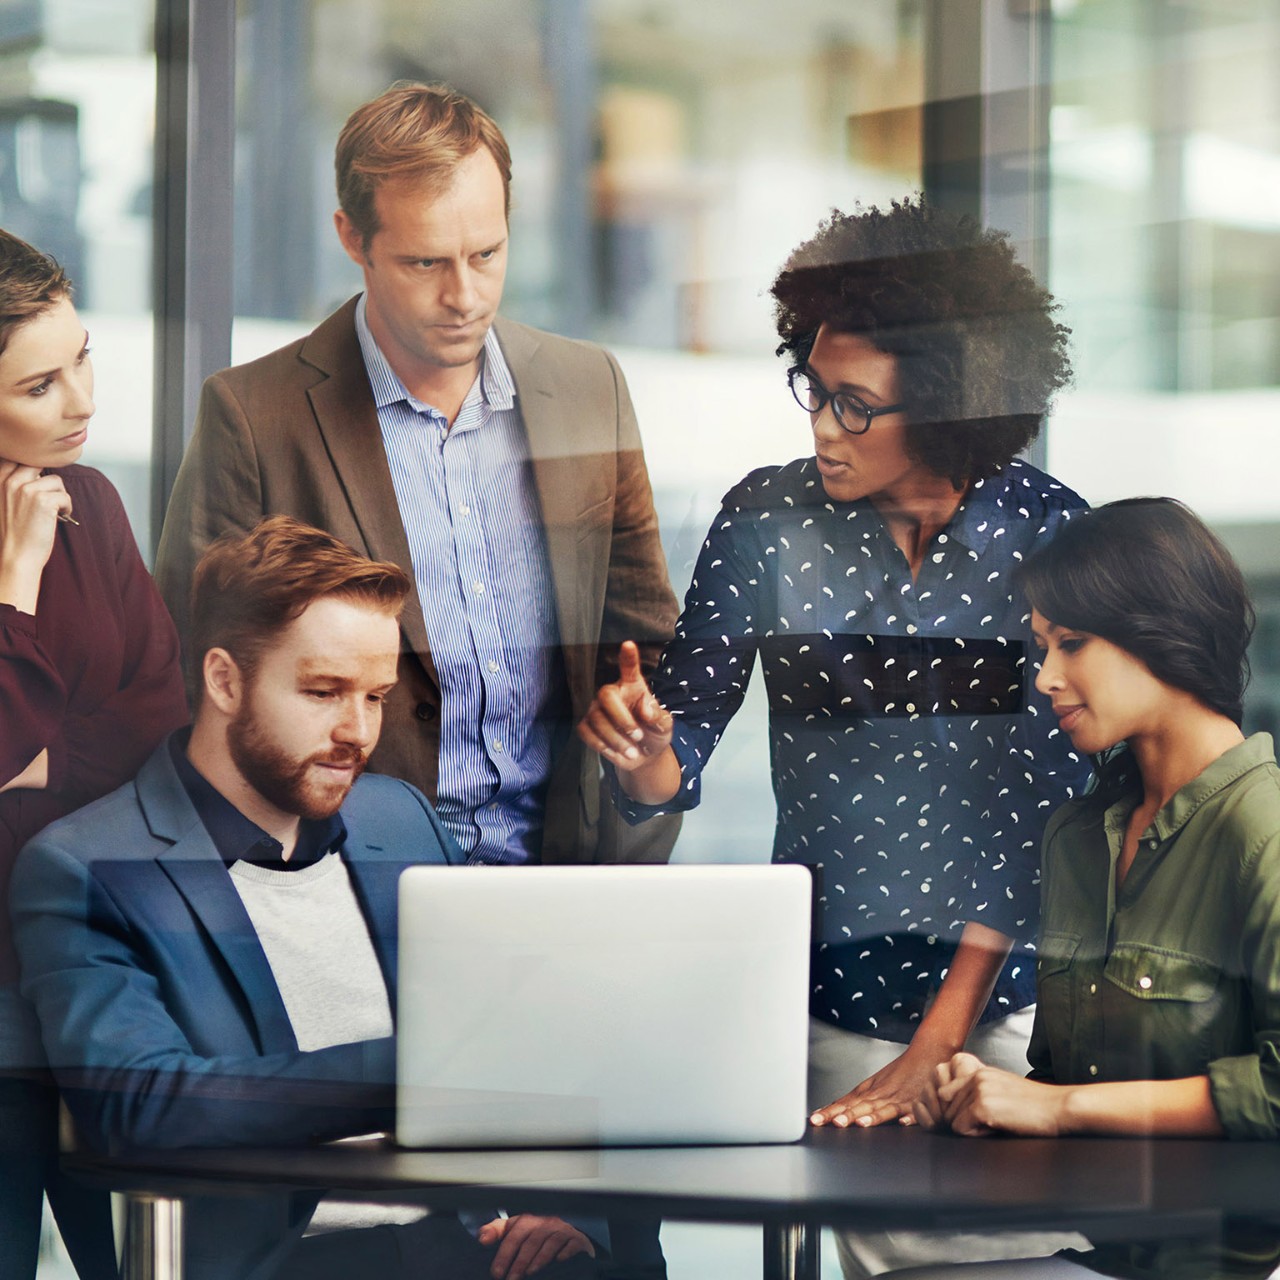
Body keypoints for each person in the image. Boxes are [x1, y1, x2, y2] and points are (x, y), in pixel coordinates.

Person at [578, 198, 1091, 1275]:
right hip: (820, 997)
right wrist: (646, 751)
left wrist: (932, 1050)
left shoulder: (1049, 539)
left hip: (1001, 1010)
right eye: (812, 389)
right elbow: (687, 736)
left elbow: (1038, 826)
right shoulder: (766, 520)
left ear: (948, 411)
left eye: (854, 406)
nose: (820, 427)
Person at [12, 516, 612, 1280]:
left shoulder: (403, 819)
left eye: (377, 696)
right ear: (224, 680)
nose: (357, 732)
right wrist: (421, 1077)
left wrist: (571, 1205)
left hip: (471, 1247)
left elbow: (529, 1029)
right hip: (283, 1262)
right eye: (324, 692)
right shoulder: (84, 864)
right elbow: (144, 1107)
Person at [153, 81, 678, 869]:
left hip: (562, 882)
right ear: (352, 238)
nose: (463, 296)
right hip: (344, 888)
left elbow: (644, 644)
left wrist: (642, 748)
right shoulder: (254, 417)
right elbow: (194, 682)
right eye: (424, 261)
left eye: (487, 255)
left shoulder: (587, 389)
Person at [904, 497, 1280, 1280]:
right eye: (1041, 647)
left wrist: (1053, 1108)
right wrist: (989, 1098)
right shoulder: (1077, 836)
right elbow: (1069, 1083)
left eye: (1071, 644)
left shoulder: (1263, 831)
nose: (1045, 678)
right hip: (1098, 1253)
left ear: (1163, 634)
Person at [0, 230, 189, 1280]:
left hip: (95, 967)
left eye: (83, 358)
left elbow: (153, 728)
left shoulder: (97, 502)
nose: (80, 399)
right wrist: (13, 580)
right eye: (40, 382)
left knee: (142, 1260)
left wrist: (36, 756)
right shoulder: (39, 531)